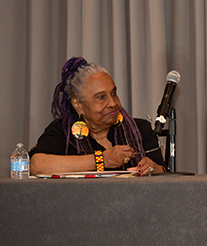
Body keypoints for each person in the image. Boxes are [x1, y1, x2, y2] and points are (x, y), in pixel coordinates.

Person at [29, 57, 166, 176]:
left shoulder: (140, 129)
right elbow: (36, 166)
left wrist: (153, 168)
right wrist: (102, 160)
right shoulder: (63, 131)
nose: (113, 103)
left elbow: (163, 171)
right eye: (101, 97)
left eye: (114, 93)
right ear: (78, 104)